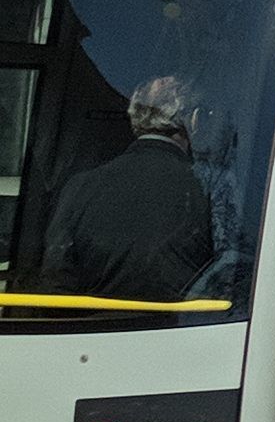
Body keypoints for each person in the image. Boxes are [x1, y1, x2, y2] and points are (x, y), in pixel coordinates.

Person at [41, 75, 219, 309]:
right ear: (192, 122)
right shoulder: (209, 188)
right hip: (183, 330)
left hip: (87, 335)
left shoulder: (81, 185)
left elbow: (56, 281)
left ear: (135, 120)